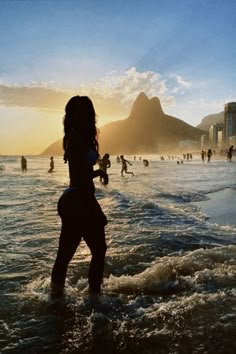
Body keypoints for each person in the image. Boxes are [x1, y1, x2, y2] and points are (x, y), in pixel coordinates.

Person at [51, 96, 108, 298]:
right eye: (82, 111)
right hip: (81, 199)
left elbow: (79, 172)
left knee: (64, 256)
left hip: (73, 199)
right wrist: (95, 174)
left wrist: (96, 173)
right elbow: (80, 175)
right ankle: (94, 297)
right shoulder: (77, 138)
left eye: (88, 110)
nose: (87, 115)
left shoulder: (75, 136)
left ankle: (55, 298)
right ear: (74, 115)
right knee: (99, 250)